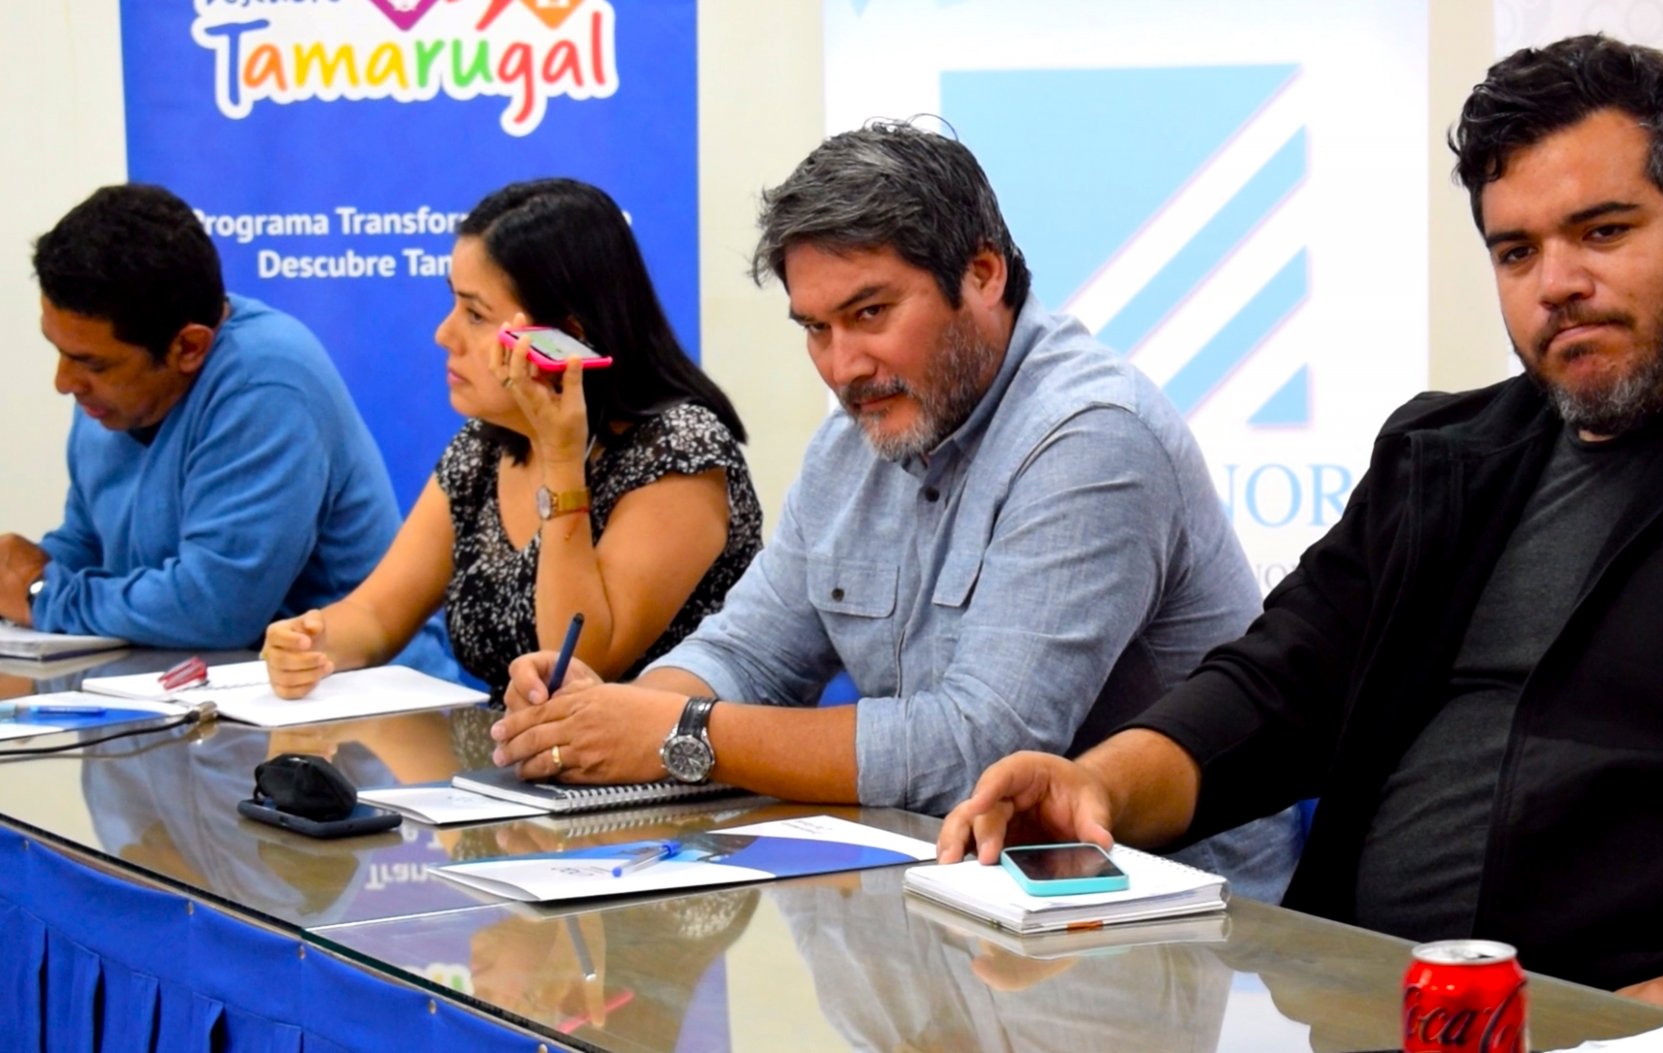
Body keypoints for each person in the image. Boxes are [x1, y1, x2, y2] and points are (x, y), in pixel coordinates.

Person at [938, 34, 1663, 1011]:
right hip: (1365, 1005)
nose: (1557, 283)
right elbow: (1275, 687)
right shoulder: (1446, 453)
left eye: (1603, 232)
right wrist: (1096, 787)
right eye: (1517, 252)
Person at [492, 122, 1302, 904]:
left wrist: (681, 734)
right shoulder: (851, 441)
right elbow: (750, 652)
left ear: (983, 274)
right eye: (816, 328)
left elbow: (978, 747)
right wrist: (605, 714)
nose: (842, 366)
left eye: (871, 313)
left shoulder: (1094, 436)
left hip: (1152, 914)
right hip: (938, 886)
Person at [262, 178, 761, 699]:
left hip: (657, 749)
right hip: (516, 746)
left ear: (565, 340)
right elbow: (378, 614)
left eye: (475, 314)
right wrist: (312, 642)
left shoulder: (680, 452)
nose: (444, 334)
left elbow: (581, 663)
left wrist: (561, 461)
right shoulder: (485, 447)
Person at [1, 183, 440, 663]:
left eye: (92, 364)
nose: (64, 382)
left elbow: (216, 608)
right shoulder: (106, 394)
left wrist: (42, 595)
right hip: (198, 689)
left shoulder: (266, 382)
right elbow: (89, 545)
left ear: (189, 347)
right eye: (61, 352)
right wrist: (19, 573)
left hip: (359, 692)